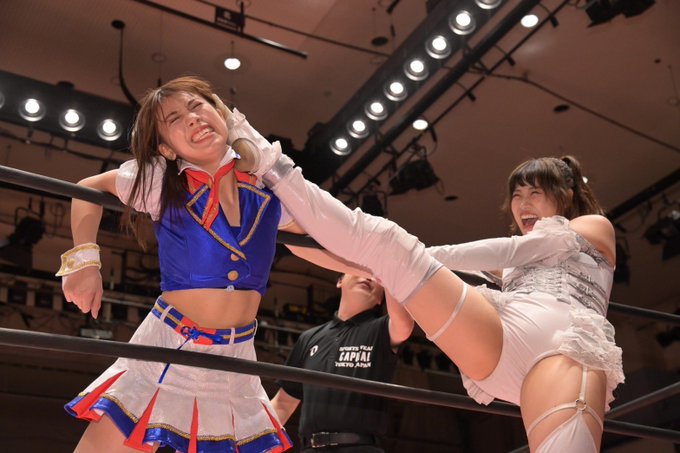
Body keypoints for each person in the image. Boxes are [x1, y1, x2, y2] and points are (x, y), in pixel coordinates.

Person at [235, 140, 624, 452]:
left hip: (563, 346)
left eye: (535, 192)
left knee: (392, 250)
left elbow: (512, 250)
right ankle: (276, 192)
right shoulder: (511, 268)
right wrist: (391, 259)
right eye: (517, 195)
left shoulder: (593, 227)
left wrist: (418, 255)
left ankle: (280, 189)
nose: (522, 203)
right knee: (385, 248)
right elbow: (391, 264)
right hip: (504, 338)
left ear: (565, 195)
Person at [56, 76, 349, 453]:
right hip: (170, 343)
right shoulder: (161, 181)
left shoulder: (267, 188)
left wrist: (373, 269)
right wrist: (84, 262)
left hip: (236, 357)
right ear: (166, 148)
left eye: (197, 106)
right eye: (175, 118)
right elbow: (90, 187)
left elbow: (307, 244)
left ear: (221, 115)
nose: (192, 118)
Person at [270, 273, 413, 452]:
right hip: (311, 448)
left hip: (360, 448)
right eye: (359, 270)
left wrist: (387, 271)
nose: (368, 277)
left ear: (381, 297)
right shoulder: (309, 338)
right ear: (340, 281)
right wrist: (250, 443)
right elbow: (283, 403)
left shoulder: (382, 329)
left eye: (376, 276)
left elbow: (404, 325)